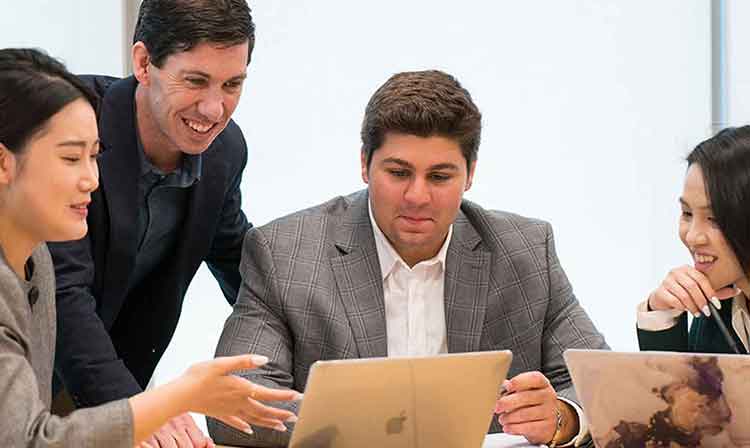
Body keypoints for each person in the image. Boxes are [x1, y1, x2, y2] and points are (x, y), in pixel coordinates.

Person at [209, 69, 608, 447]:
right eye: (399, 173)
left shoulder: (525, 250)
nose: (417, 196)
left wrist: (562, 416)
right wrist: (375, 426)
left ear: (470, 175)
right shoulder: (285, 252)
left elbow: (603, 386)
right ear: (365, 164)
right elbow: (234, 400)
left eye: (439, 177)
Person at [0, 47, 300, 448]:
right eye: (72, 158)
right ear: (143, 64)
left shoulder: (33, 261)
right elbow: (29, 439)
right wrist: (174, 397)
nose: (91, 179)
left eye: (94, 157)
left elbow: (237, 255)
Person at [48, 1, 257, 446]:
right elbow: (60, 289)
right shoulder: (68, 126)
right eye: (196, 81)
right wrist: (137, 411)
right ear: (143, 63)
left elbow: (239, 259)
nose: (214, 109)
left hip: (97, 392)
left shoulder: (225, 152)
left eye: (232, 84)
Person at [637, 126, 750, 353]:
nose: (692, 236)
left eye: (714, 218)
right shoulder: (715, 304)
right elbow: (675, 387)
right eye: (687, 214)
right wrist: (662, 313)